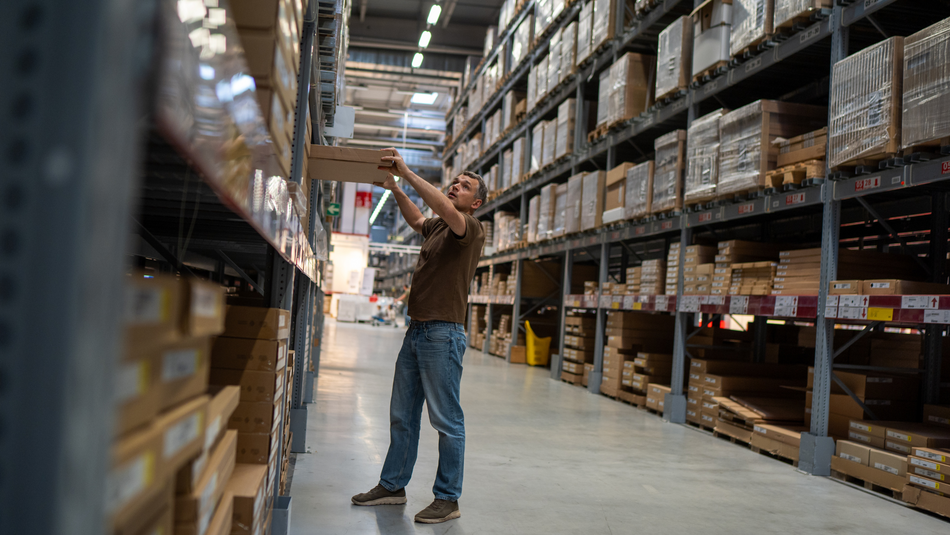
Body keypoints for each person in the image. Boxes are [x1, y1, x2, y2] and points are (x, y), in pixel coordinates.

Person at [351, 148, 487, 524]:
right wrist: (395, 188)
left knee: (446, 420)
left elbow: (441, 206)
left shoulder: (469, 227)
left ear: (475, 203)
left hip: (442, 335)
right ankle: (392, 486)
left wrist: (407, 173)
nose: (456, 185)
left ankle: (448, 498)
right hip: (417, 331)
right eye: (455, 181)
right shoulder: (439, 226)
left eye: (464, 186)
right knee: (403, 415)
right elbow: (417, 220)